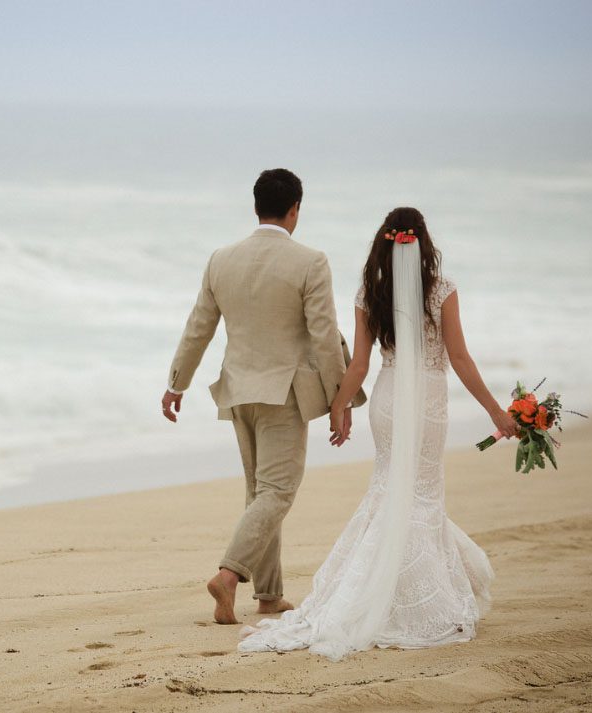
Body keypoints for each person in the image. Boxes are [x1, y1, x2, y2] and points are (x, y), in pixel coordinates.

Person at [238, 206, 517, 660]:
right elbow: (460, 359)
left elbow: (360, 365)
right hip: (427, 400)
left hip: (387, 400)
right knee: (423, 492)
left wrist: (339, 406)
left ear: (384, 242)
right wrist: (495, 412)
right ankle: (420, 601)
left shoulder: (370, 293)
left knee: (390, 489)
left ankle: (377, 589)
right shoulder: (441, 290)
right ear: (423, 243)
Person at [162, 168, 365, 625]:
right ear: (295, 210)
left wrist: (177, 384)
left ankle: (270, 597)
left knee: (259, 494)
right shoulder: (310, 262)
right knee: (278, 492)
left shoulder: (221, 259)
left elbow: (198, 329)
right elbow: (324, 338)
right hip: (283, 396)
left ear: (256, 207)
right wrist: (341, 402)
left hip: (236, 392)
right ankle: (229, 575)